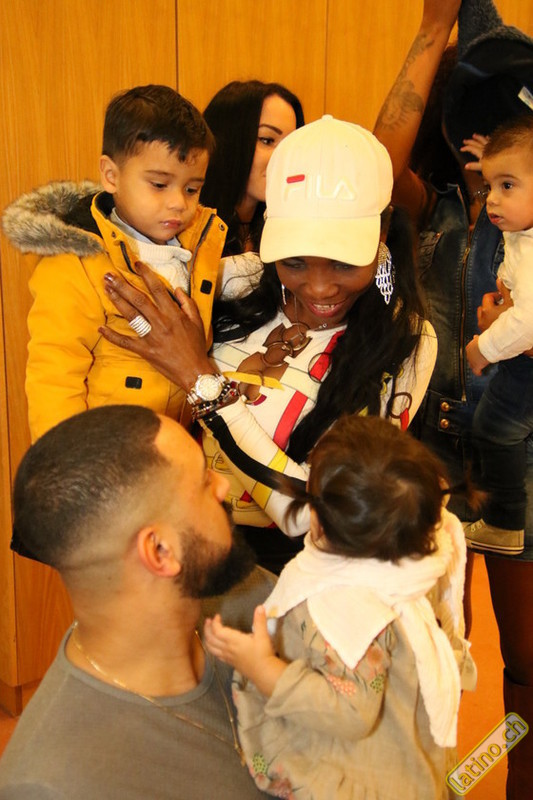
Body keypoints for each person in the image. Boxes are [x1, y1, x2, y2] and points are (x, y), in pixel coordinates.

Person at [99, 115, 438, 575]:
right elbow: (123, 301)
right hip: (174, 551)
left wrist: (202, 381)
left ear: (383, 231)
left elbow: (311, 514)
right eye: (294, 262)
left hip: (291, 578)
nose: (319, 288)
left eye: (343, 263)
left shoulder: (408, 340)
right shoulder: (234, 280)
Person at [373, 1, 533, 796]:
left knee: (528, 666)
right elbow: (374, 166)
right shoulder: (428, 207)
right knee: (426, 650)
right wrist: (429, 31)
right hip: (429, 459)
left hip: (518, 461)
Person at [0, 404, 275, 800]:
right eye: (203, 481)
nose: (223, 487)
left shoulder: (249, 596)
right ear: (160, 551)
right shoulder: (55, 783)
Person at [204, 415, 476, 800]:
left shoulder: (342, 608)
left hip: (358, 777)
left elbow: (348, 712)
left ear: (319, 523)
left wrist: (262, 667)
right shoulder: (416, 561)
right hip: (409, 755)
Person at [1, 84, 259, 441]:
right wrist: (69, 462)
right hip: (110, 448)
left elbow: (210, 283)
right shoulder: (76, 263)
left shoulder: (197, 241)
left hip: (177, 440)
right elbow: (54, 376)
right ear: (111, 175)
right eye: (159, 185)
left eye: (191, 189)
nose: (178, 203)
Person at [464, 115, 533, 555]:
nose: (492, 198)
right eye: (489, 186)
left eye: (507, 185)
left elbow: (527, 321)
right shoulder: (522, 235)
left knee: (495, 428)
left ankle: (505, 524)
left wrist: (482, 349)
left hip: (525, 366)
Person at [201, 80, 304, 256]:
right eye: (267, 140)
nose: (283, 157)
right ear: (229, 142)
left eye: (291, 145)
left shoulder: (289, 230)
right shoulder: (188, 229)